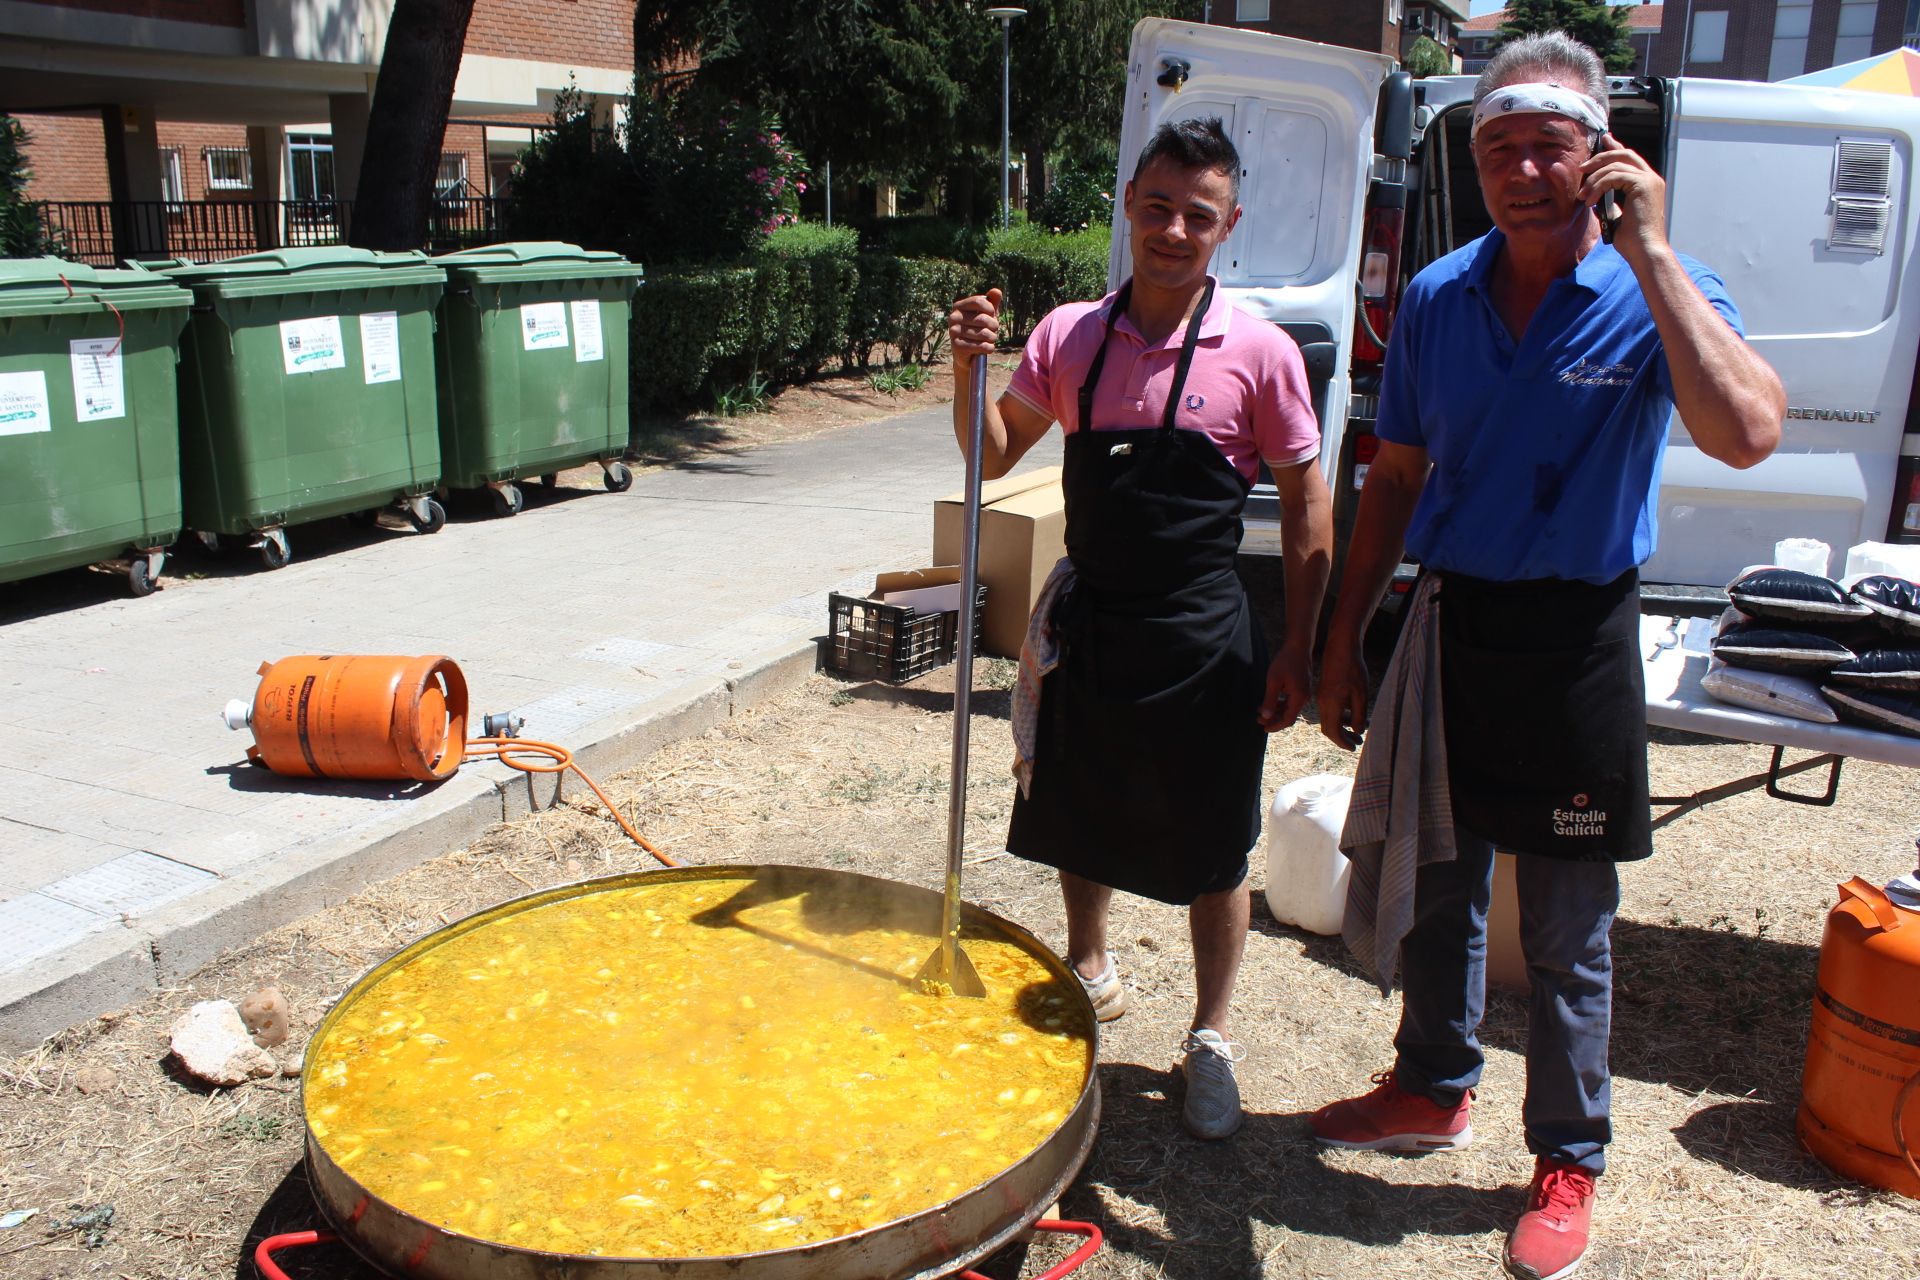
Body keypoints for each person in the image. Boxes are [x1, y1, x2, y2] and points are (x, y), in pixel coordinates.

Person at [1310, 32, 1784, 1280]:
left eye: (1550, 143)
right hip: (1454, 621)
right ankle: (1431, 1083)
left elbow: (1745, 431)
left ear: (1601, 154)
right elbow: (1396, 474)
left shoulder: (1657, 286)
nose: (1524, 167)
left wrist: (1656, 249)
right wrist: (1344, 637)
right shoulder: (1436, 294)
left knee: (1570, 924)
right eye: (1498, 145)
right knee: (1441, 883)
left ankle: (1568, 1150)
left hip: (1578, 635)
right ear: (1473, 163)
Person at [946, 117, 1333, 1140]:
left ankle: (1210, 1034)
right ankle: (1090, 959)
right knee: (1084, 812)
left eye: (1196, 215)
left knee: (1216, 846)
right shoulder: (1071, 334)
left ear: (1227, 226)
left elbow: (1305, 500)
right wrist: (965, 372)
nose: (1173, 229)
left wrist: (1300, 642)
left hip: (1208, 632)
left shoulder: (1260, 350)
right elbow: (990, 458)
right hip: (1096, 623)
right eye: (1157, 207)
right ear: (1129, 203)